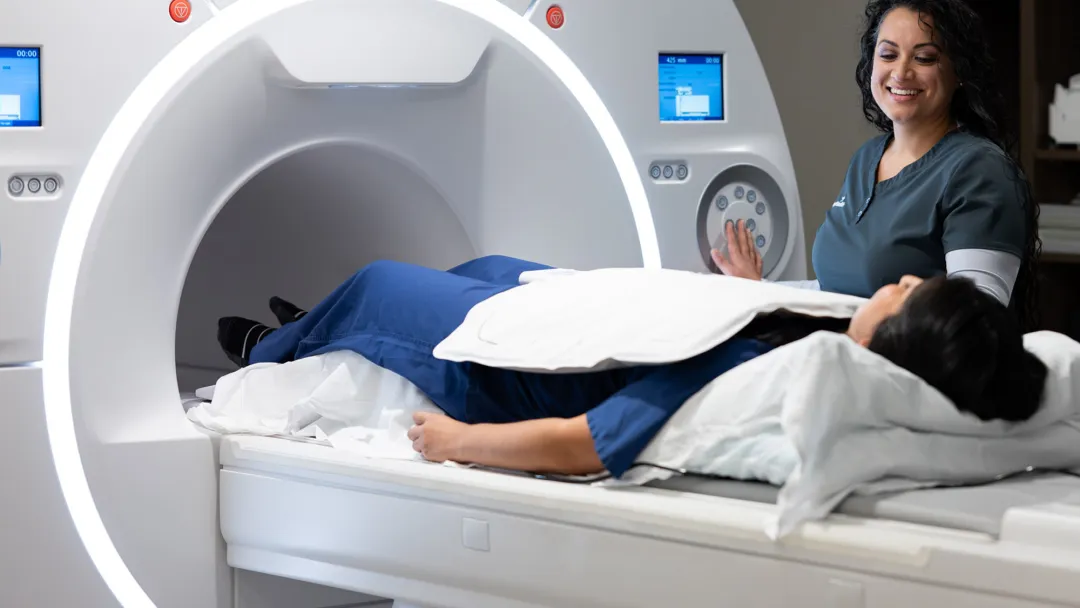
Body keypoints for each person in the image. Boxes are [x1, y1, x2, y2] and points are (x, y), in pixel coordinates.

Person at [215, 255, 1047, 478]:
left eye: (905, 295)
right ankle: (321, 326)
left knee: (378, 284)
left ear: (885, 344)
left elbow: (589, 442)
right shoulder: (821, 331)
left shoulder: (765, 370)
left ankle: (275, 347)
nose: (899, 281)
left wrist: (458, 442)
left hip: (508, 382)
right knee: (496, 262)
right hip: (575, 321)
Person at [713, 0, 1042, 332]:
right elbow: (837, 294)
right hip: (848, 352)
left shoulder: (980, 171)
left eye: (924, 58)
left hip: (901, 363)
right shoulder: (867, 158)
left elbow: (973, 329)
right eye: (888, 54)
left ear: (958, 71)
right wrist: (762, 291)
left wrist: (856, 337)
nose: (901, 72)